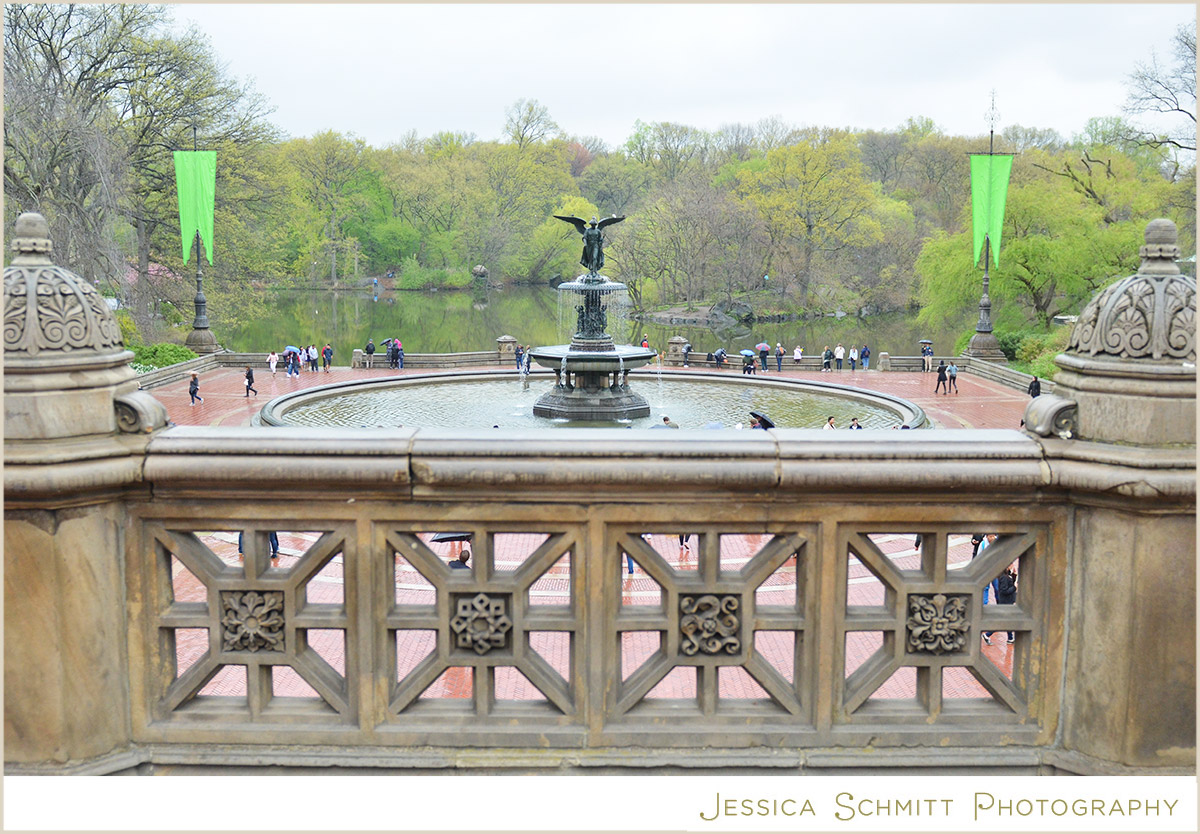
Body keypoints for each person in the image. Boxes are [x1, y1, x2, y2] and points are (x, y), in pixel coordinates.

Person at [984, 564, 1018, 644]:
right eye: (1011, 564)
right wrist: (1014, 588)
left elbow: (1011, 582)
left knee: (1008, 621)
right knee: (1002, 621)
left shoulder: (1007, 574)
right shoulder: (1003, 577)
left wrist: (1014, 575)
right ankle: (987, 635)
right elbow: (1004, 590)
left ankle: (1010, 638)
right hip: (1006, 602)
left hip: (1008, 601)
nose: (1013, 565)